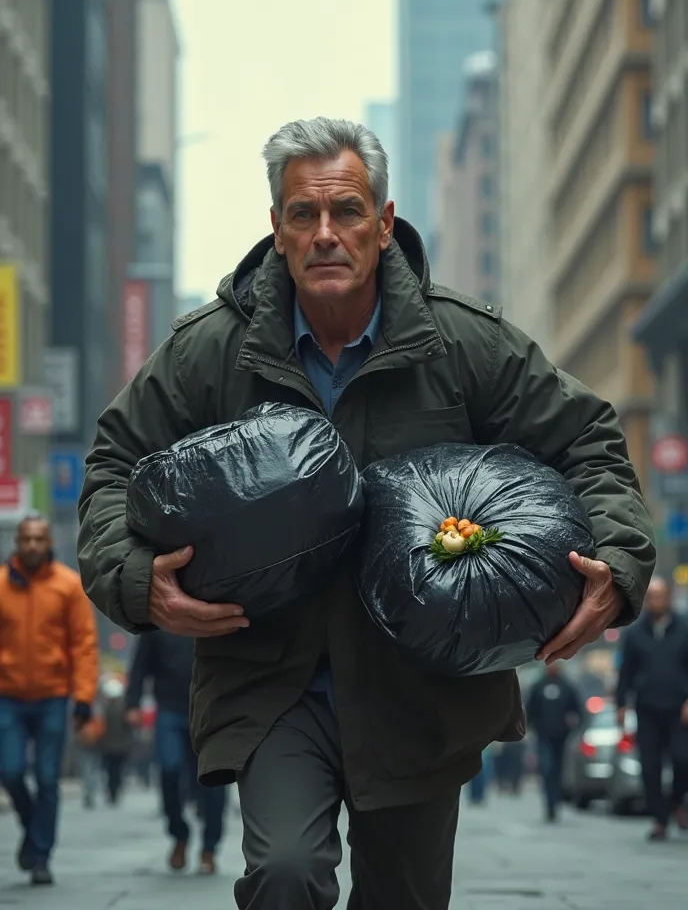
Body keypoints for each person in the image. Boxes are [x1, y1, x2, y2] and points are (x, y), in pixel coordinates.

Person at [78, 117, 655, 909]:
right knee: (286, 874)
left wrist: (617, 570)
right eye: (302, 215)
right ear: (276, 230)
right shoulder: (208, 352)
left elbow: (588, 439)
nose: (325, 234)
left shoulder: (462, 344)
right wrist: (135, 577)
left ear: (383, 224)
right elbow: (112, 465)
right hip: (270, 680)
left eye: (346, 211)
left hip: (421, 690)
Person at [0, 515, 99, 886]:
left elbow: (84, 646)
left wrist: (84, 698)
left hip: (53, 697)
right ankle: (32, 828)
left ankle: (40, 857)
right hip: (7, 696)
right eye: (26, 539)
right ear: (17, 543)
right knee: (9, 772)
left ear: (48, 543)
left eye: (38, 539)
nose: (31, 546)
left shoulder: (68, 586)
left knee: (47, 779)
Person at [125, 632, 228, 874]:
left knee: (214, 780)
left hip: (210, 712)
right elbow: (140, 664)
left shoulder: (216, 600)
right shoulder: (160, 615)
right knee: (168, 770)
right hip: (170, 710)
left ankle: (209, 848)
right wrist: (132, 703)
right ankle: (179, 834)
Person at [616, 577, 688, 839]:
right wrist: (621, 705)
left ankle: (677, 801)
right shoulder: (635, 634)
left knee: (683, 760)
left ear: (669, 598)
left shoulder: (684, 628)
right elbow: (625, 672)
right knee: (650, 766)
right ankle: (660, 818)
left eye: (661, 595)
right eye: (652, 596)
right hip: (647, 708)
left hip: (680, 709)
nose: (656, 601)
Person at [526, 663, 583, 822]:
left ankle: (555, 802)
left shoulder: (567, 686)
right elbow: (530, 710)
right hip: (542, 734)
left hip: (561, 736)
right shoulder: (538, 686)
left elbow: (577, 709)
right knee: (547, 767)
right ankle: (549, 803)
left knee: (558, 769)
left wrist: (575, 725)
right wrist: (529, 727)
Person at [100, 676, 131, 804]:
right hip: (121, 746)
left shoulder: (105, 709)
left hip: (108, 746)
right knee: (117, 770)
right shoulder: (124, 708)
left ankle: (112, 790)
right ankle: (115, 789)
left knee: (110, 771)